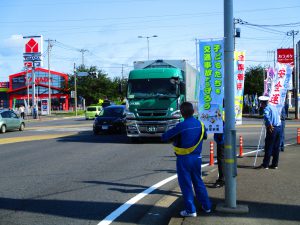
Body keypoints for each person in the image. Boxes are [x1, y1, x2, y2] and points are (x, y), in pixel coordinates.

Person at [162, 102, 211, 217]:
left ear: (182, 113)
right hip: (197, 158)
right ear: (193, 112)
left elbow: (165, 137)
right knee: (198, 182)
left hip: (184, 159)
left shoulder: (181, 126)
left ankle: (191, 210)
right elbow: (204, 136)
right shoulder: (200, 124)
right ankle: (207, 206)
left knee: (186, 184)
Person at [257, 96, 281, 169]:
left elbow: (266, 116)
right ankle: (275, 164)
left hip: (272, 128)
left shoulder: (266, 108)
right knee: (276, 147)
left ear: (262, 103)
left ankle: (265, 164)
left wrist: (269, 124)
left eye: (261, 103)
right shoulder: (273, 107)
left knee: (268, 146)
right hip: (278, 128)